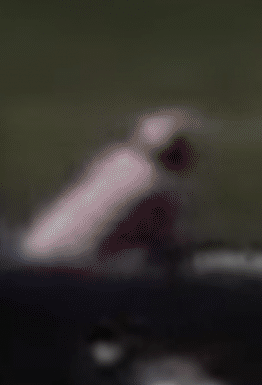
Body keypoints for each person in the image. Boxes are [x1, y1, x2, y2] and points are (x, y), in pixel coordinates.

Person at [20, 107, 201, 268]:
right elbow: (166, 245)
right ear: (176, 149)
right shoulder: (159, 187)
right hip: (65, 268)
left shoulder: (115, 160)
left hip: (31, 252)